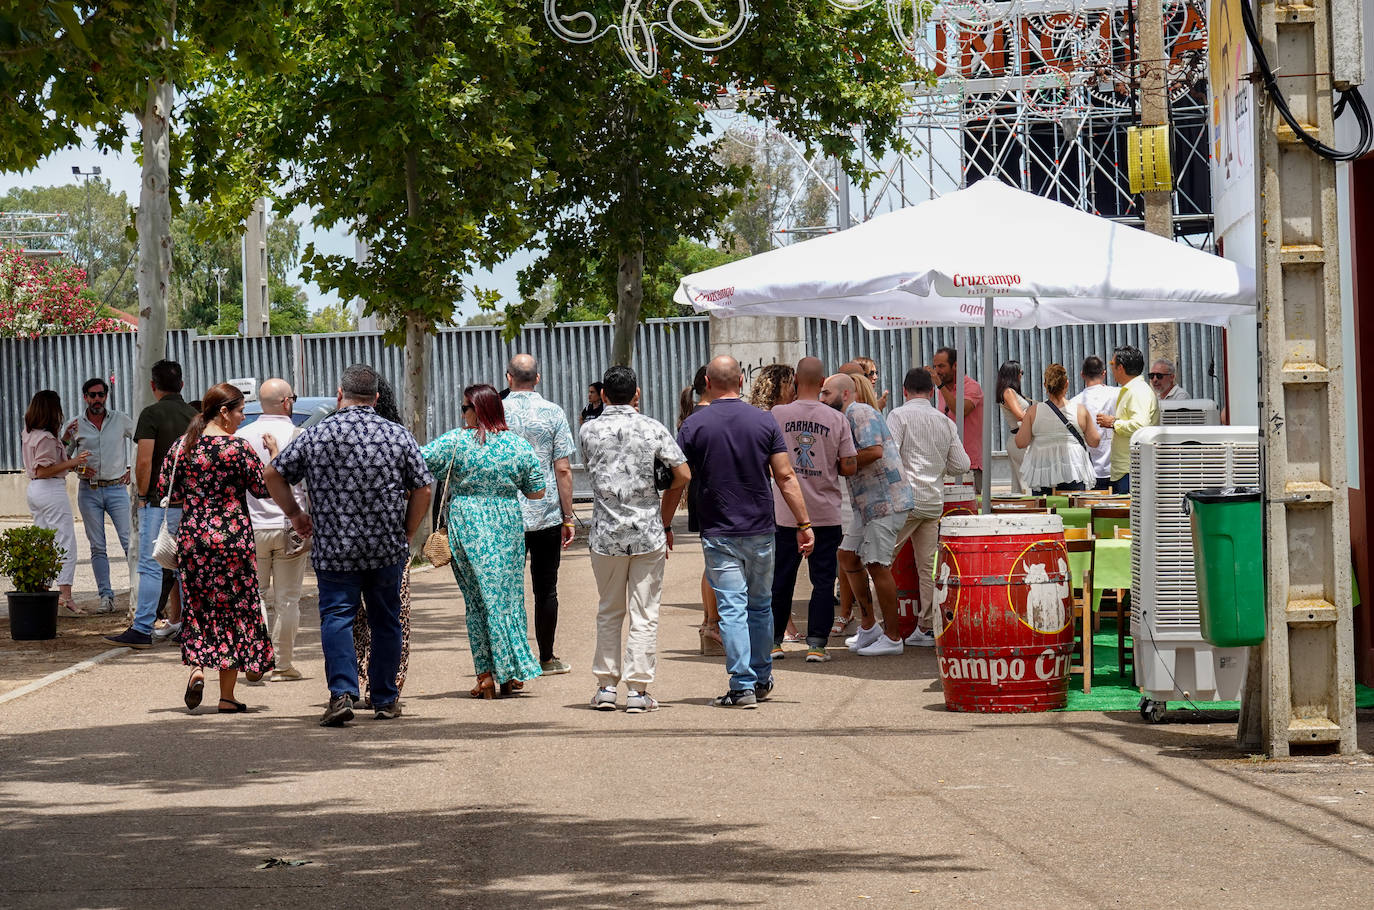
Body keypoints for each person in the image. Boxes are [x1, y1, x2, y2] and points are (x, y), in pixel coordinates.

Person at [266, 364, 434, 726]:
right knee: (385, 621)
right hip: (385, 547)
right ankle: (386, 698)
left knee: (337, 619)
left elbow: (273, 473)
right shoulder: (397, 435)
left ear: (339, 395)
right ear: (375, 398)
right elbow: (423, 488)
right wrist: (408, 532)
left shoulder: (317, 434)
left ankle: (342, 693)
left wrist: (295, 514)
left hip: (334, 547)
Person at [678, 356, 814, 708]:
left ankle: (741, 685)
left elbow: (679, 479)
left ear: (707, 381)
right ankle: (762, 675)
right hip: (759, 528)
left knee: (732, 607)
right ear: (741, 379)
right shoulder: (764, 420)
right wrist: (804, 523)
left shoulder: (694, 425)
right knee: (760, 604)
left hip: (718, 528)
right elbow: (785, 476)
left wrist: (664, 523)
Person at [421, 383, 545, 700]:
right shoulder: (517, 446)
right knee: (507, 599)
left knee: (477, 602)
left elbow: (419, 462)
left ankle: (487, 676)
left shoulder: (457, 442)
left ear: (479, 410)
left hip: (466, 523)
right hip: (507, 525)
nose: (462, 414)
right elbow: (537, 491)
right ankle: (511, 670)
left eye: (465, 408)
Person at [157, 383, 276, 714]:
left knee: (198, 608)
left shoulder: (183, 447)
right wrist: (276, 457)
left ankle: (197, 669)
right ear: (224, 412)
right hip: (233, 540)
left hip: (195, 539)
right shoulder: (237, 449)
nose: (241, 418)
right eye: (239, 411)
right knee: (236, 613)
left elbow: (166, 490)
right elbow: (264, 490)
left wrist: (198, 497)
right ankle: (227, 697)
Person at [581, 365, 690, 713]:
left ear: (604, 395)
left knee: (609, 610)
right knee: (645, 612)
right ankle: (638, 691)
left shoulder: (589, 430)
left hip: (606, 534)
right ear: (637, 394)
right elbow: (683, 473)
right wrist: (661, 503)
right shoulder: (652, 428)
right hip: (647, 531)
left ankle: (606, 686)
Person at [768, 357, 857, 662]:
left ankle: (775, 642)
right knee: (822, 580)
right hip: (825, 513)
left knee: (781, 579)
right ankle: (817, 645)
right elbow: (848, 464)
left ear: (795, 380)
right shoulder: (837, 419)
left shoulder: (777, 414)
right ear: (822, 384)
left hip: (785, 513)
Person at [106, 360, 197, 649]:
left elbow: (144, 460)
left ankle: (143, 627)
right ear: (181, 384)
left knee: (150, 565)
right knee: (187, 566)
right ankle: (191, 627)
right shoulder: (195, 415)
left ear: (152, 386)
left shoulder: (151, 414)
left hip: (159, 502)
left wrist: (142, 496)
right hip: (191, 502)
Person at [821, 373, 914, 656]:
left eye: (826, 393)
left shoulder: (859, 411)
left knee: (876, 564)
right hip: (867, 504)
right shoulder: (844, 416)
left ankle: (893, 637)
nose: (821, 398)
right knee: (847, 555)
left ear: (845, 394)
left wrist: (839, 463)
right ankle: (870, 626)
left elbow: (873, 451)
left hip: (886, 501)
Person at [503, 354, 577, 675]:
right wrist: (568, 515)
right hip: (545, 514)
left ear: (509, 378)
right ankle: (546, 658)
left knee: (508, 589)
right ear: (538, 378)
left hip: (505, 516)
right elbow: (562, 469)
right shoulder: (553, 413)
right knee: (546, 589)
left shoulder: (496, 412)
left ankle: (512, 660)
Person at [886, 368, 970, 646]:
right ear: (932, 391)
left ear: (904, 389)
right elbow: (962, 465)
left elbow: (889, 456)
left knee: (879, 561)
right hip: (933, 501)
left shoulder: (898, 416)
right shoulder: (944, 421)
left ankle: (883, 627)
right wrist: (936, 467)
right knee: (927, 568)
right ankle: (925, 627)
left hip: (904, 501)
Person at [235, 378, 310, 682]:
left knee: (256, 596)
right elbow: (307, 484)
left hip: (251, 527)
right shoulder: (299, 436)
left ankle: (256, 658)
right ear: (287, 402)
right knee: (288, 598)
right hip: (291, 525)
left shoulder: (240, 437)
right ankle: (283, 664)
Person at [349, 377, 415, 704]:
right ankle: (387, 683)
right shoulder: (397, 437)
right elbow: (415, 488)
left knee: (354, 616)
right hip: (390, 539)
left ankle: (358, 679)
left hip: (345, 541)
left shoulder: (340, 434)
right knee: (392, 615)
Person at [62, 377, 134, 614]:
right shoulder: (75, 425)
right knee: (97, 547)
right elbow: (64, 456)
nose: (97, 399)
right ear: (85, 397)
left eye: (101, 394)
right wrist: (76, 467)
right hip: (89, 490)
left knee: (128, 542)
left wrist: (133, 468)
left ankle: (138, 592)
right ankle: (106, 596)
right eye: (92, 395)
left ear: (106, 396)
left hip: (116, 489)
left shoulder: (120, 419)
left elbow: (142, 441)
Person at [747, 362, 805, 645]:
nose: (795, 389)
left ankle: (783, 622)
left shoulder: (772, 415)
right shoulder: (769, 417)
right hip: (772, 497)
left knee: (778, 567)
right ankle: (782, 625)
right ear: (780, 386)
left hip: (778, 496)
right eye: (790, 383)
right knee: (777, 567)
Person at [22, 391, 88, 615]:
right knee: (64, 541)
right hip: (49, 488)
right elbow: (43, 470)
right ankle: (66, 597)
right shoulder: (46, 438)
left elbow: (44, 464)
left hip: (35, 491)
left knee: (44, 541)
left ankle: (44, 589)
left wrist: (66, 439)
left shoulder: (31, 433)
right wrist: (74, 461)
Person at [679, 365, 722, 655]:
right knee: (716, 561)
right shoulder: (707, 417)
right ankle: (712, 624)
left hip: (700, 493)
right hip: (713, 494)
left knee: (713, 559)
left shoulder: (693, 416)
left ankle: (710, 623)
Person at [1015, 364, 1102, 495]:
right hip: (1074, 469)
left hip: (1043, 471)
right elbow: (1094, 441)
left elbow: (1020, 442)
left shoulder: (1033, 411)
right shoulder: (1080, 410)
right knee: (1074, 512)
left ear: (1045, 385)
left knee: (1045, 512)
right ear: (1066, 384)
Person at [1095, 345, 1160, 494]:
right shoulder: (1133, 389)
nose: (1110, 368)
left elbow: (1140, 426)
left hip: (1131, 468)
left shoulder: (1137, 391)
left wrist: (1113, 423)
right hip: (1128, 468)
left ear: (1121, 368)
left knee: (1130, 513)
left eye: (1112, 364)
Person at [930, 346, 985, 489]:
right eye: (935, 366)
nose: (937, 371)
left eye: (941, 366)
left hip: (970, 464)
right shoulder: (943, 390)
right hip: (947, 464)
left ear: (956, 366)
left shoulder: (972, 387)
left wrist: (940, 385)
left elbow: (960, 411)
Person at [1069, 356, 1116, 489]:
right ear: (1104, 373)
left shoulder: (1074, 403)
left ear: (1082, 375)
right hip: (1115, 467)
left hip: (1087, 469)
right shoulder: (1116, 394)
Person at [995, 361, 1030, 495]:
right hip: (1019, 440)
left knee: (1019, 482)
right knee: (1025, 482)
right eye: (1020, 372)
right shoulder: (1008, 392)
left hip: (1019, 439)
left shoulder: (1011, 392)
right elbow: (1020, 415)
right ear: (1014, 374)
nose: (1021, 375)